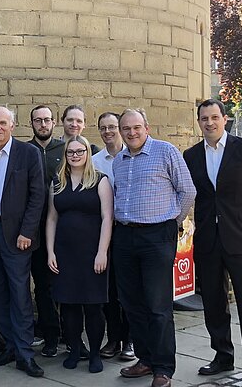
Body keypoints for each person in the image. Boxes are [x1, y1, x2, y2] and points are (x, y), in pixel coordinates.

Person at [184, 99, 242, 387]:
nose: (209, 123)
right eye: (203, 118)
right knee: (213, 301)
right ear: (199, 122)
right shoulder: (192, 155)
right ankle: (222, 355)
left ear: (225, 118)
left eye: (214, 117)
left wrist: (240, 216)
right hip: (209, 240)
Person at [112, 108, 196, 387]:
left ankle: (163, 368)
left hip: (157, 236)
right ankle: (145, 359)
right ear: (121, 132)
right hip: (124, 236)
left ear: (147, 127)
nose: (131, 133)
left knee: (158, 306)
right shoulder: (119, 161)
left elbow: (188, 190)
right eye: (126, 129)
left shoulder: (166, 151)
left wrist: (173, 222)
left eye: (136, 127)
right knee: (132, 303)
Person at [0, 106, 45, 377]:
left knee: (20, 295)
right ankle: (11, 345)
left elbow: (37, 195)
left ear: (13, 126)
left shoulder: (29, 153)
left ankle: (25, 354)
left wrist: (27, 231)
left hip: (17, 237)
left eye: (3, 123)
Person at [46, 135, 113, 373]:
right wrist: (50, 251)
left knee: (93, 306)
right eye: (70, 152)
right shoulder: (58, 181)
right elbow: (52, 218)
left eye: (79, 151)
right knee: (69, 306)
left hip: (91, 252)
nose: (75, 156)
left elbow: (107, 217)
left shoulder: (100, 180)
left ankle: (95, 354)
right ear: (65, 155)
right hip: (65, 252)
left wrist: (102, 252)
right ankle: (75, 350)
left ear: (87, 153)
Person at [91, 112, 134, 361]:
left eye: (112, 127)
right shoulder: (96, 161)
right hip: (104, 230)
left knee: (128, 288)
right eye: (103, 128)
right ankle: (114, 338)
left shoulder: (133, 154)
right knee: (109, 289)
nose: (108, 131)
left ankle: (130, 340)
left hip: (128, 228)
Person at [27, 105, 63, 357]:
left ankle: (71, 334)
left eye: (47, 120)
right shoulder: (25, 151)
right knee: (42, 285)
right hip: (35, 228)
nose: (43, 124)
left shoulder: (65, 149)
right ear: (31, 124)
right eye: (38, 120)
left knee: (66, 284)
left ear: (54, 122)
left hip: (65, 229)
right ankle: (50, 334)